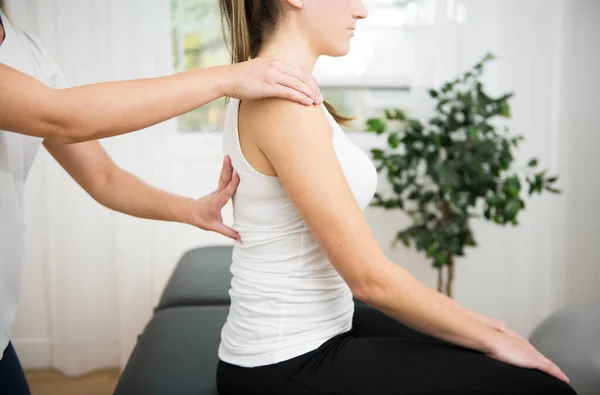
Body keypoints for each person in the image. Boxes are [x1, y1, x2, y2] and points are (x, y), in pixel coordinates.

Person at [215, 0, 578, 394]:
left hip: (327, 326)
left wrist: (485, 327)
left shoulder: (281, 90)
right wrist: (495, 337)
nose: (362, 11)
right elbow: (370, 281)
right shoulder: (282, 105)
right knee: (542, 389)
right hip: (283, 360)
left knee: (492, 351)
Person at [0, 2, 324, 394]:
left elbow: (103, 177)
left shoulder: (25, 49)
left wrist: (189, 210)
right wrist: (228, 77)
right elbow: (64, 117)